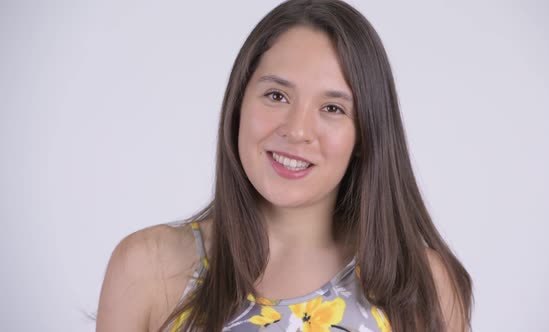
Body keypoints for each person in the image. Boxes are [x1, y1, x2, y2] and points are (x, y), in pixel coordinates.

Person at [96, 0, 473, 331]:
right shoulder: (146, 269)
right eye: (276, 95)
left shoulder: (424, 286)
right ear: (238, 105)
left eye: (332, 108)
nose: (296, 130)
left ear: (366, 134)